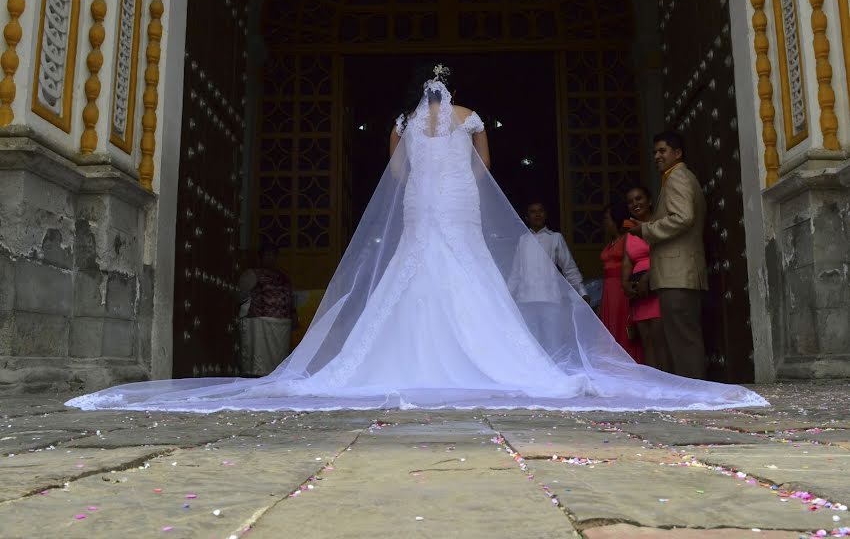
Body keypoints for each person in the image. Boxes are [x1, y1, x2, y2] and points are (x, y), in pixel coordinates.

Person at [66, 65, 764, 413]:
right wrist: (457, 176)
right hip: (457, 205)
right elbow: (486, 174)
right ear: (450, 91)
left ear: (418, 93)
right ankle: (496, 361)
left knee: (415, 268)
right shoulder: (470, 117)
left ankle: (385, 361)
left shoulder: (404, 122)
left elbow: (395, 176)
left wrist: (415, 178)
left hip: (428, 207)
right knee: (467, 274)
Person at [629, 131, 708, 380]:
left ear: (678, 153)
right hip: (678, 274)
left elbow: (683, 217)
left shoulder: (678, 178)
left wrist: (646, 229)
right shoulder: (673, 178)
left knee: (683, 339)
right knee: (681, 338)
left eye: (662, 150)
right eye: (654, 152)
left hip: (678, 274)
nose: (657, 156)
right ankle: (691, 390)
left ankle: (695, 392)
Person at [507, 202, 587, 359]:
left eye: (540, 211)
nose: (537, 214)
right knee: (531, 343)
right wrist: (506, 296)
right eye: (532, 212)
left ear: (545, 214)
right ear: (526, 217)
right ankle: (536, 379)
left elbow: (568, 267)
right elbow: (516, 273)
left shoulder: (555, 238)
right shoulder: (523, 240)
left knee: (553, 343)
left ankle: (555, 379)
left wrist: (581, 291)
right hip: (526, 301)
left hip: (550, 300)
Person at [621, 185, 669, 371]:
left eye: (639, 198)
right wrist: (625, 284)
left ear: (649, 201)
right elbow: (627, 262)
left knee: (660, 340)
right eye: (631, 201)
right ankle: (654, 388)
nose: (635, 203)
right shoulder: (630, 232)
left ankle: (668, 385)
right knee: (646, 342)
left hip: (656, 285)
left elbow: (664, 253)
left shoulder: (658, 225)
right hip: (639, 295)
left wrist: (648, 277)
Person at [237, 247, 297, 377]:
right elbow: (242, 295)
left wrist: (293, 316)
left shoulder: (283, 276)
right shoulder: (252, 274)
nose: (270, 258)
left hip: (282, 324)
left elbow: (291, 299)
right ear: (260, 257)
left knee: (277, 360)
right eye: (267, 255)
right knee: (259, 360)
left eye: (272, 255)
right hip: (260, 321)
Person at [600, 202, 643, 363]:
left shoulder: (627, 238)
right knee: (610, 327)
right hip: (609, 291)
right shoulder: (611, 242)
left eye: (607, 218)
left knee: (622, 326)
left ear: (616, 219)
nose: (605, 222)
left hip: (621, 289)